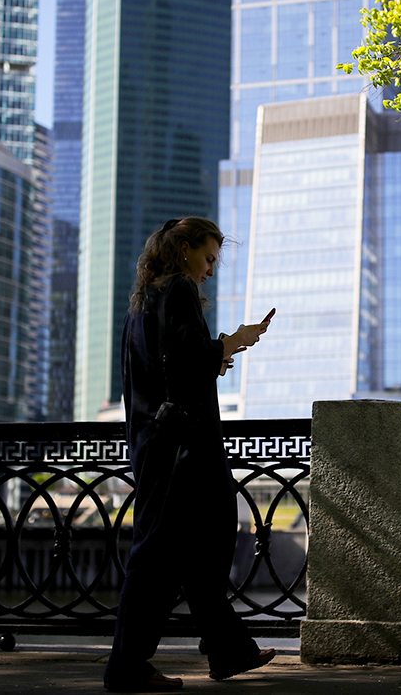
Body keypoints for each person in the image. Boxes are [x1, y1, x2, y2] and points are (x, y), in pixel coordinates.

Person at [104, 217, 277, 692]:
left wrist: (216, 351)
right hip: (184, 446)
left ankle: (225, 650)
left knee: (189, 546)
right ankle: (127, 666)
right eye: (208, 258)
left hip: (154, 442)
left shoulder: (142, 300)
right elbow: (187, 364)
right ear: (184, 249)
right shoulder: (178, 289)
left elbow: (164, 371)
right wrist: (231, 342)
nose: (211, 271)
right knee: (171, 549)